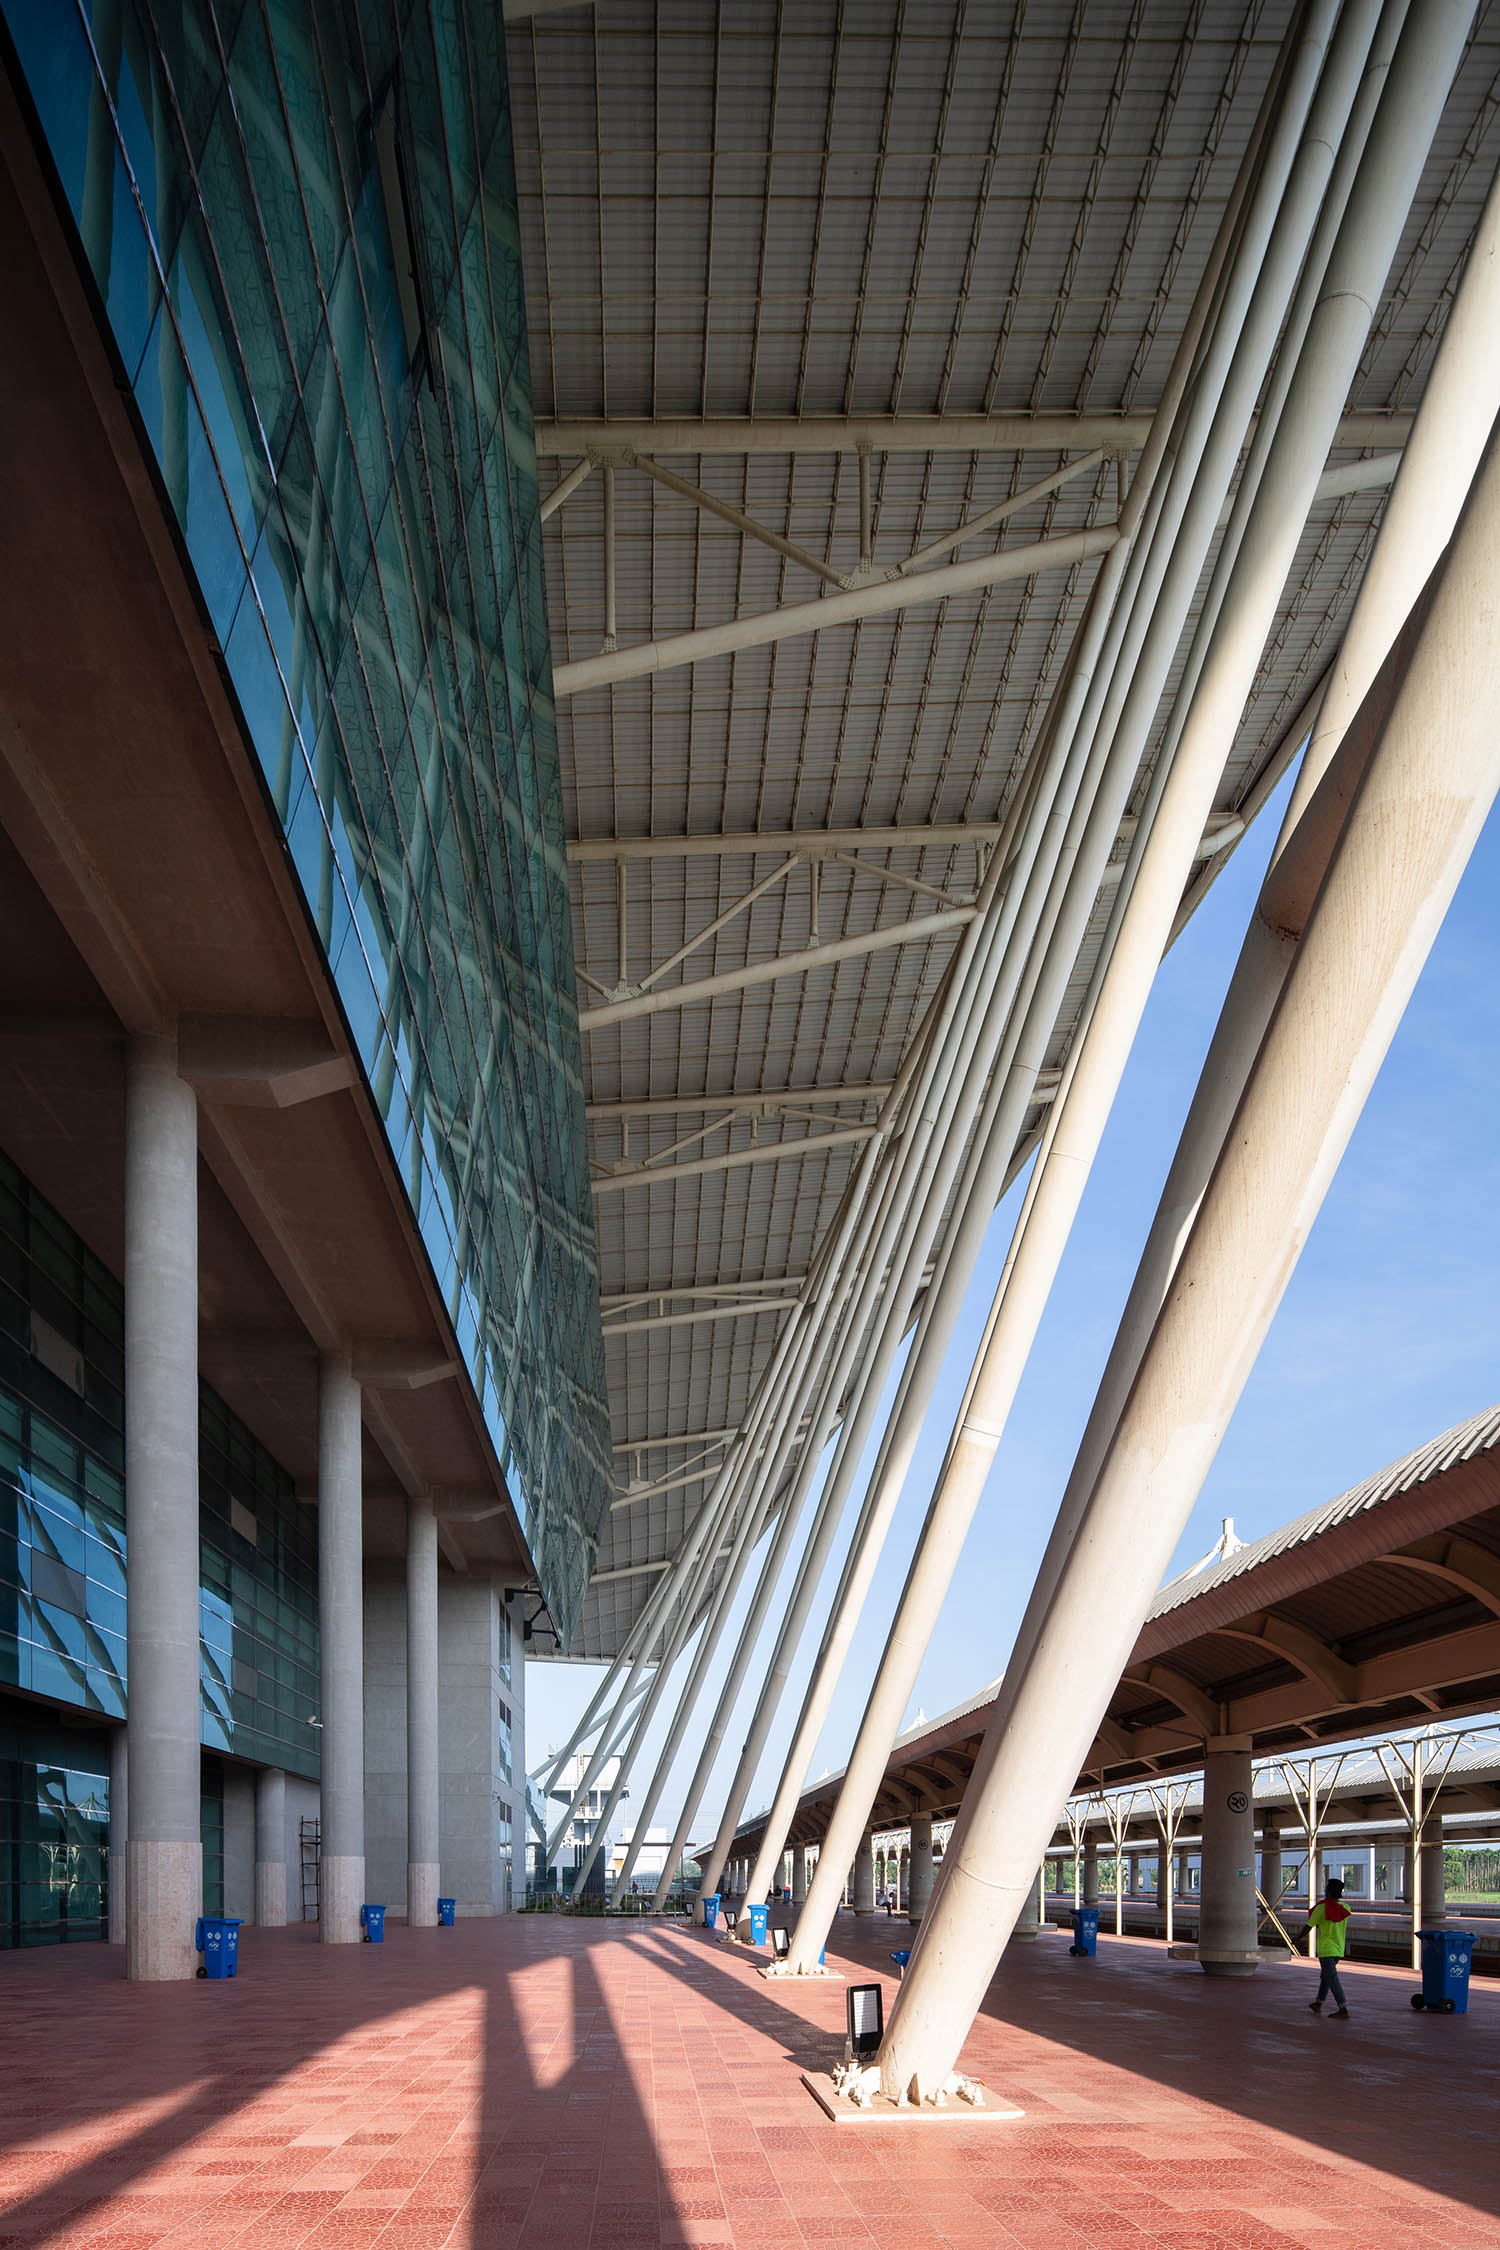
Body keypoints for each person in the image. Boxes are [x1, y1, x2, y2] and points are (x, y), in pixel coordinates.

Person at [1305, 1876, 1352, 2018]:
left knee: (1331, 1978)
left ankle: (1343, 2007)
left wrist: (1297, 1938)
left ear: (1329, 1891)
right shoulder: (1345, 1908)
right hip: (1338, 1948)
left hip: (1326, 1948)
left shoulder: (1322, 1908)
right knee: (1326, 1976)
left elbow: (1309, 1926)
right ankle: (1318, 2003)